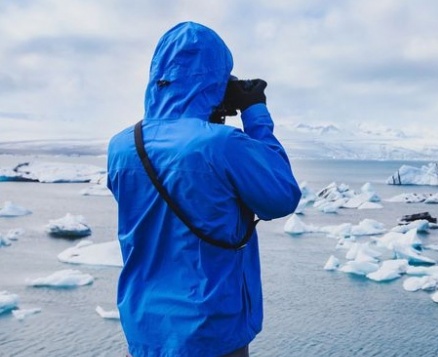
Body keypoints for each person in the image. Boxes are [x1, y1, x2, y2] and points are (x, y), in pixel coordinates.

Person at [107, 22, 301, 357]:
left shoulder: (122, 145)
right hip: (210, 330)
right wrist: (255, 111)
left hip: (144, 330)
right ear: (214, 80)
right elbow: (281, 196)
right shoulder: (220, 144)